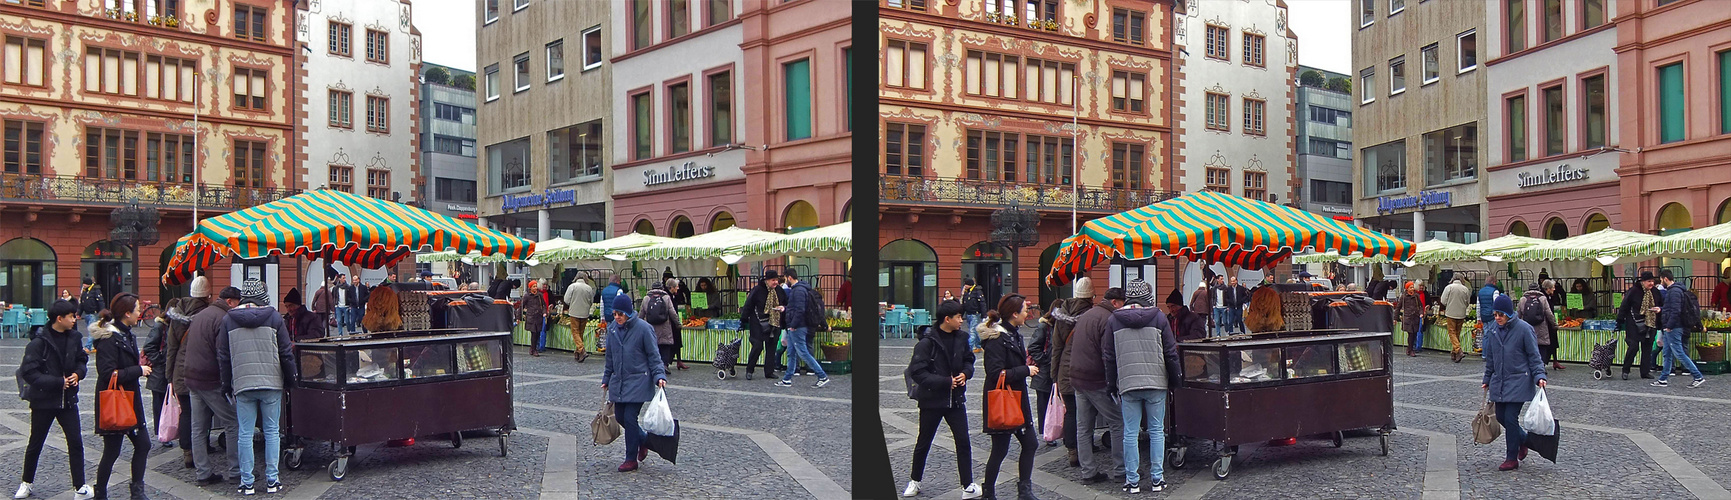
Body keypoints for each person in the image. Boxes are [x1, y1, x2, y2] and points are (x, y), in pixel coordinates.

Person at [214, 288, 294, 495]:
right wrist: (291, 380)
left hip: (242, 383)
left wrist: (226, 384)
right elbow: (286, 352)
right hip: (271, 382)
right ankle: (272, 480)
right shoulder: (275, 317)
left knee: (245, 434)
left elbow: (223, 356)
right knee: (271, 432)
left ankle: (247, 482)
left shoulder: (228, 320)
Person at [1101, 279, 1178, 494]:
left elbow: (1108, 356)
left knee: (1130, 433)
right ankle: (1157, 479)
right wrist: (1175, 381)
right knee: (1156, 432)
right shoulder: (1160, 317)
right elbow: (1171, 353)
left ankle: (1132, 481)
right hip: (1156, 382)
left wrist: (1111, 384)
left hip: (1128, 383)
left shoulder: (1113, 320)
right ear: (1148, 296)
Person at [15, 300, 95, 500]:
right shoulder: (38, 342)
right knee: (36, 443)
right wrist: (57, 382)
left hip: (67, 401)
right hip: (43, 401)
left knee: (76, 442)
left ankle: (80, 487)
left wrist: (78, 373)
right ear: (59, 319)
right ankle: (26, 483)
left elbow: (81, 360)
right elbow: (29, 372)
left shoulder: (75, 337)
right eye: (71, 316)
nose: (75, 319)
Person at [901, 301, 982, 499]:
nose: (961, 321)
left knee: (963, 442)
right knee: (924, 442)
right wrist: (946, 382)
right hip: (931, 400)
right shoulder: (927, 342)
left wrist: (966, 373)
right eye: (958, 317)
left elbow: (969, 360)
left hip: (955, 401)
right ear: (947, 319)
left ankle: (968, 485)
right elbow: (917, 372)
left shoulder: (962, 338)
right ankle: (915, 481)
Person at [977, 294, 1041, 500]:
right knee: (1000, 449)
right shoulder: (997, 338)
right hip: (1004, 401)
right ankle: (988, 492)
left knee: (1030, 443)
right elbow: (995, 374)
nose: (1027, 314)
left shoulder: (1014, 334)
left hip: (1017, 398)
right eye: (1024, 310)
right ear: (1014, 314)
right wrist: (1025, 370)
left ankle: (1024, 491)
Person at [89, 293, 152, 500]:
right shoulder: (109, 339)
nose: (139, 312)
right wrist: (138, 370)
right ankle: (101, 493)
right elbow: (107, 375)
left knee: (143, 444)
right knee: (112, 451)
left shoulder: (127, 334)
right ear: (127, 313)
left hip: (130, 399)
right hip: (115, 402)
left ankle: (137, 492)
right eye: (137, 309)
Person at [186, 282, 247, 486]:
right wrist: (227, 382)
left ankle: (202, 472)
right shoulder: (223, 318)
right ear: (230, 302)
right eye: (237, 305)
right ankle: (235, 470)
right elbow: (223, 353)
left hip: (192, 376)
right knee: (232, 423)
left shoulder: (203, 313)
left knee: (198, 428)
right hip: (210, 378)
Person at [600, 293, 668, 473]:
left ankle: (631, 459)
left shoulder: (644, 329)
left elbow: (654, 356)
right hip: (620, 381)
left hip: (639, 380)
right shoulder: (613, 329)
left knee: (630, 417)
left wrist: (659, 376)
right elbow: (610, 357)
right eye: (614, 314)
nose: (617, 317)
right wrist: (606, 378)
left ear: (628, 312)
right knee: (621, 416)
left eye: (620, 314)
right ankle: (643, 440)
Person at [1480, 294, 1548, 471]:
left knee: (1510, 417)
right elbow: (1491, 358)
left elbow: (1534, 356)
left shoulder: (1524, 329)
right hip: (1500, 381)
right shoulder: (1494, 330)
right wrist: (1487, 378)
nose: (1497, 318)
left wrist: (1539, 376)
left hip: (1519, 380)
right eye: (1495, 314)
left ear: (1509, 313)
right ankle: (1523, 441)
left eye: (1500, 315)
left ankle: (1511, 458)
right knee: (1501, 416)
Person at [1070, 287, 1126, 483]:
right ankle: (1121, 470)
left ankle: (1088, 472)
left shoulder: (1088, 314)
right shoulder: (1109, 319)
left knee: (1084, 428)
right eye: (1122, 304)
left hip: (1077, 377)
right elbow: (1107, 354)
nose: (1123, 308)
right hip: (1095, 379)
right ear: (1115, 303)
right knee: (1118, 422)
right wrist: (1113, 382)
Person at [1049, 277, 1093, 467]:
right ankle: (1086, 446)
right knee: (1086, 412)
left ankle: (1072, 450)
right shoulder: (1091, 315)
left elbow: (1056, 347)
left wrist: (1054, 375)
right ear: (1091, 296)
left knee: (1071, 412)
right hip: (1085, 370)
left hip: (1065, 370)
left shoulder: (1061, 315)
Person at [777, 270, 831, 388]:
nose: (785, 282)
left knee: (803, 352)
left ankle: (822, 376)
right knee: (791, 352)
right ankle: (787, 379)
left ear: (789, 278)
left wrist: (793, 325)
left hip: (798, 327)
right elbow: (795, 308)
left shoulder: (798, 291)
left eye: (786, 279)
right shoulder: (800, 290)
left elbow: (800, 310)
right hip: (795, 325)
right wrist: (785, 308)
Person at [1655, 270, 1707, 388]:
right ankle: (1663, 379)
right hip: (1671, 326)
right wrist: (1661, 309)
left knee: (1679, 353)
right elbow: (1671, 308)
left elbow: (1675, 310)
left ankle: (1697, 376)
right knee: (1667, 353)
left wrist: (1669, 325)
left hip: (1673, 327)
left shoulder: (1674, 292)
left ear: (1665, 279)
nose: (1660, 282)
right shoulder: (1675, 291)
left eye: (1661, 279)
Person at [1617, 272, 1663, 380]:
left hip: (1650, 323)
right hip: (1634, 323)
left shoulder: (1655, 292)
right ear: (1643, 281)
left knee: (1647, 348)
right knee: (1633, 347)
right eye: (1649, 281)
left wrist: (1659, 321)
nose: (1651, 283)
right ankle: (1626, 370)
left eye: (1652, 281)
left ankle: (1645, 372)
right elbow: (1624, 306)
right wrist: (1619, 321)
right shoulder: (1634, 291)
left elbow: (1660, 305)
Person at [742, 271, 786, 380]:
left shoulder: (779, 291)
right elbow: (748, 305)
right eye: (773, 280)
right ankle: (750, 369)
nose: (775, 282)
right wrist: (743, 320)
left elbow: (786, 303)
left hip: (774, 322)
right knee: (758, 346)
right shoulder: (758, 290)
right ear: (767, 280)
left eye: (776, 280)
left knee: (771, 348)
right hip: (758, 322)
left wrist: (782, 308)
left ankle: (769, 372)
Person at [138, 303, 168, 446]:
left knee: (165, 404)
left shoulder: (167, 326)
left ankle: (165, 433)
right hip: (158, 373)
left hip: (163, 372)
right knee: (159, 404)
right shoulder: (159, 327)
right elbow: (149, 347)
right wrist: (160, 360)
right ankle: (161, 434)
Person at [1024, 303, 1054, 446]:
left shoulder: (1057, 327)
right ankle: (1046, 434)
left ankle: (1051, 432)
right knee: (1043, 404)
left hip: (1051, 372)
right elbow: (1033, 347)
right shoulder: (1044, 327)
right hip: (1042, 373)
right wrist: (1045, 361)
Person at [1517, 282, 1562, 371]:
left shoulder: (1523, 299)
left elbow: (1518, 313)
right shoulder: (1542, 299)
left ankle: (1529, 366)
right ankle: (1541, 367)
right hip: (1541, 328)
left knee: (1529, 346)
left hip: (1527, 328)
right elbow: (1549, 314)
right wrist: (1554, 325)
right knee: (1542, 348)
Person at [563, 276, 596, 362]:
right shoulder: (589, 288)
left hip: (574, 312)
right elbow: (591, 301)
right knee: (580, 332)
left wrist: (572, 303)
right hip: (585, 313)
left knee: (575, 332)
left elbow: (566, 300)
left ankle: (581, 349)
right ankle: (577, 353)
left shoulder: (572, 286)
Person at [1440, 278, 1472, 363]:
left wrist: (1449, 304)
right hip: (1461, 313)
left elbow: (1443, 300)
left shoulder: (1449, 287)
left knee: (1452, 332)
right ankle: (1454, 353)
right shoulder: (1465, 289)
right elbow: (1468, 302)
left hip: (1451, 313)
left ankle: (1458, 350)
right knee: (1457, 333)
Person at [522, 280, 549, 357]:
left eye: (536, 286)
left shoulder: (540, 295)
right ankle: (534, 349)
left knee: (538, 333)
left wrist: (544, 312)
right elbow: (522, 306)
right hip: (531, 317)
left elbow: (544, 305)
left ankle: (532, 347)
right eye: (534, 286)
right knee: (534, 333)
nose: (535, 288)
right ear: (530, 288)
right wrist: (519, 316)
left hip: (539, 317)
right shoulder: (527, 296)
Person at [1401, 282, 1427, 357]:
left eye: (1413, 287)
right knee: (1411, 334)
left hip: (1415, 318)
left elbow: (1420, 306)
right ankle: (1411, 349)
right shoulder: (1404, 297)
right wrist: (1395, 318)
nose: (1412, 289)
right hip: (1408, 318)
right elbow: (1399, 307)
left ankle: (1409, 348)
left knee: (1414, 333)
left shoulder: (1416, 296)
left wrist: (1421, 313)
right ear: (1407, 288)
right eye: (1410, 287)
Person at [79, 276, 104, 351]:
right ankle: (97, 345)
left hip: (94, 313)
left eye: (85, 284)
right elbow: (82, 303)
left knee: (92, 331)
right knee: (94, 331)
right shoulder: (85, 291)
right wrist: (79, 313)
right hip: (87, 314)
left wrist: (102, 313)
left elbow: (100, 302)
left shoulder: (95, 291)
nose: (83, 285)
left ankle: (88, 347)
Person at [961, 278, 986, 352]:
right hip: (968, 314)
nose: (964, 286)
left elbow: (982, 303)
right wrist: (961, 315)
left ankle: (968, 349)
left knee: (972, 332)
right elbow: (964, 304)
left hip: (975, 314)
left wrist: (984, 315)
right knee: (975, 331)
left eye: (966, 284)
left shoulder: (977, 291)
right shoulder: (966, 292)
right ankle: (978, 346)